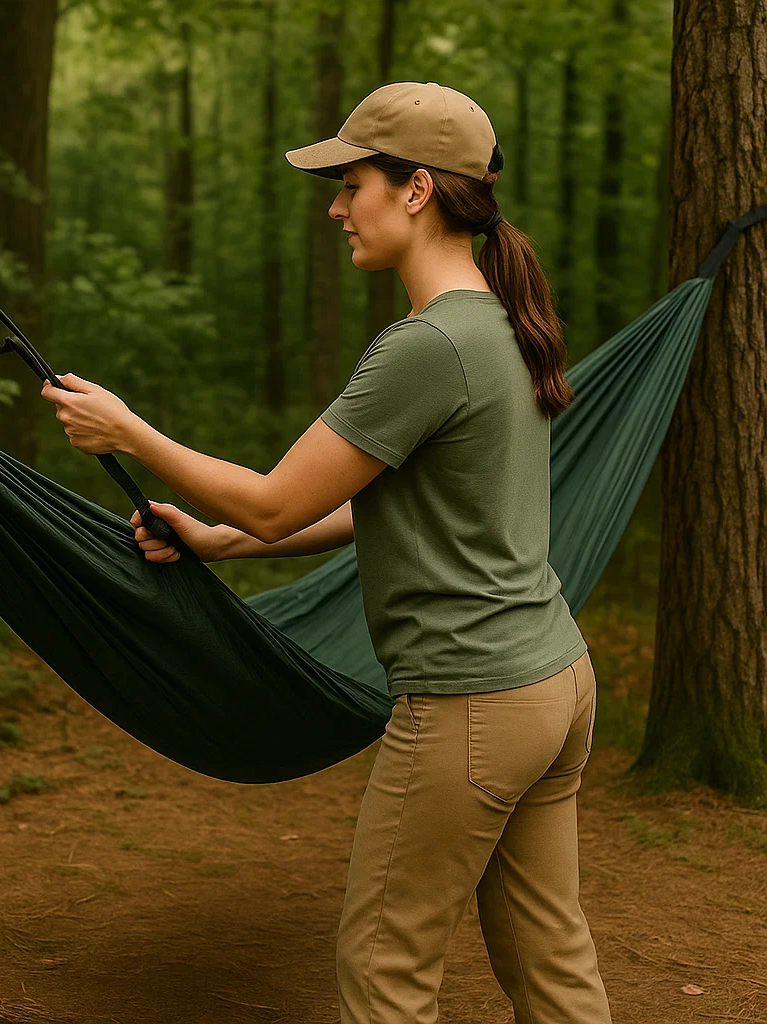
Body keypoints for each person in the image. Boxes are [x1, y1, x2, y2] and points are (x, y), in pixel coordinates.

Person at [40, 80, 612, 1024]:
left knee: (385, 970)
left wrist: (128, 432)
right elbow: (386, 506)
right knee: (552, 963)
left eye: (353, 184)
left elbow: (275, 502)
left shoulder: (427, 347)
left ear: (418, 189)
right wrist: (218, 542)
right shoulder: (507, 324)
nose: (338, 206)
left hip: (470, 701)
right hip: (553, 683)